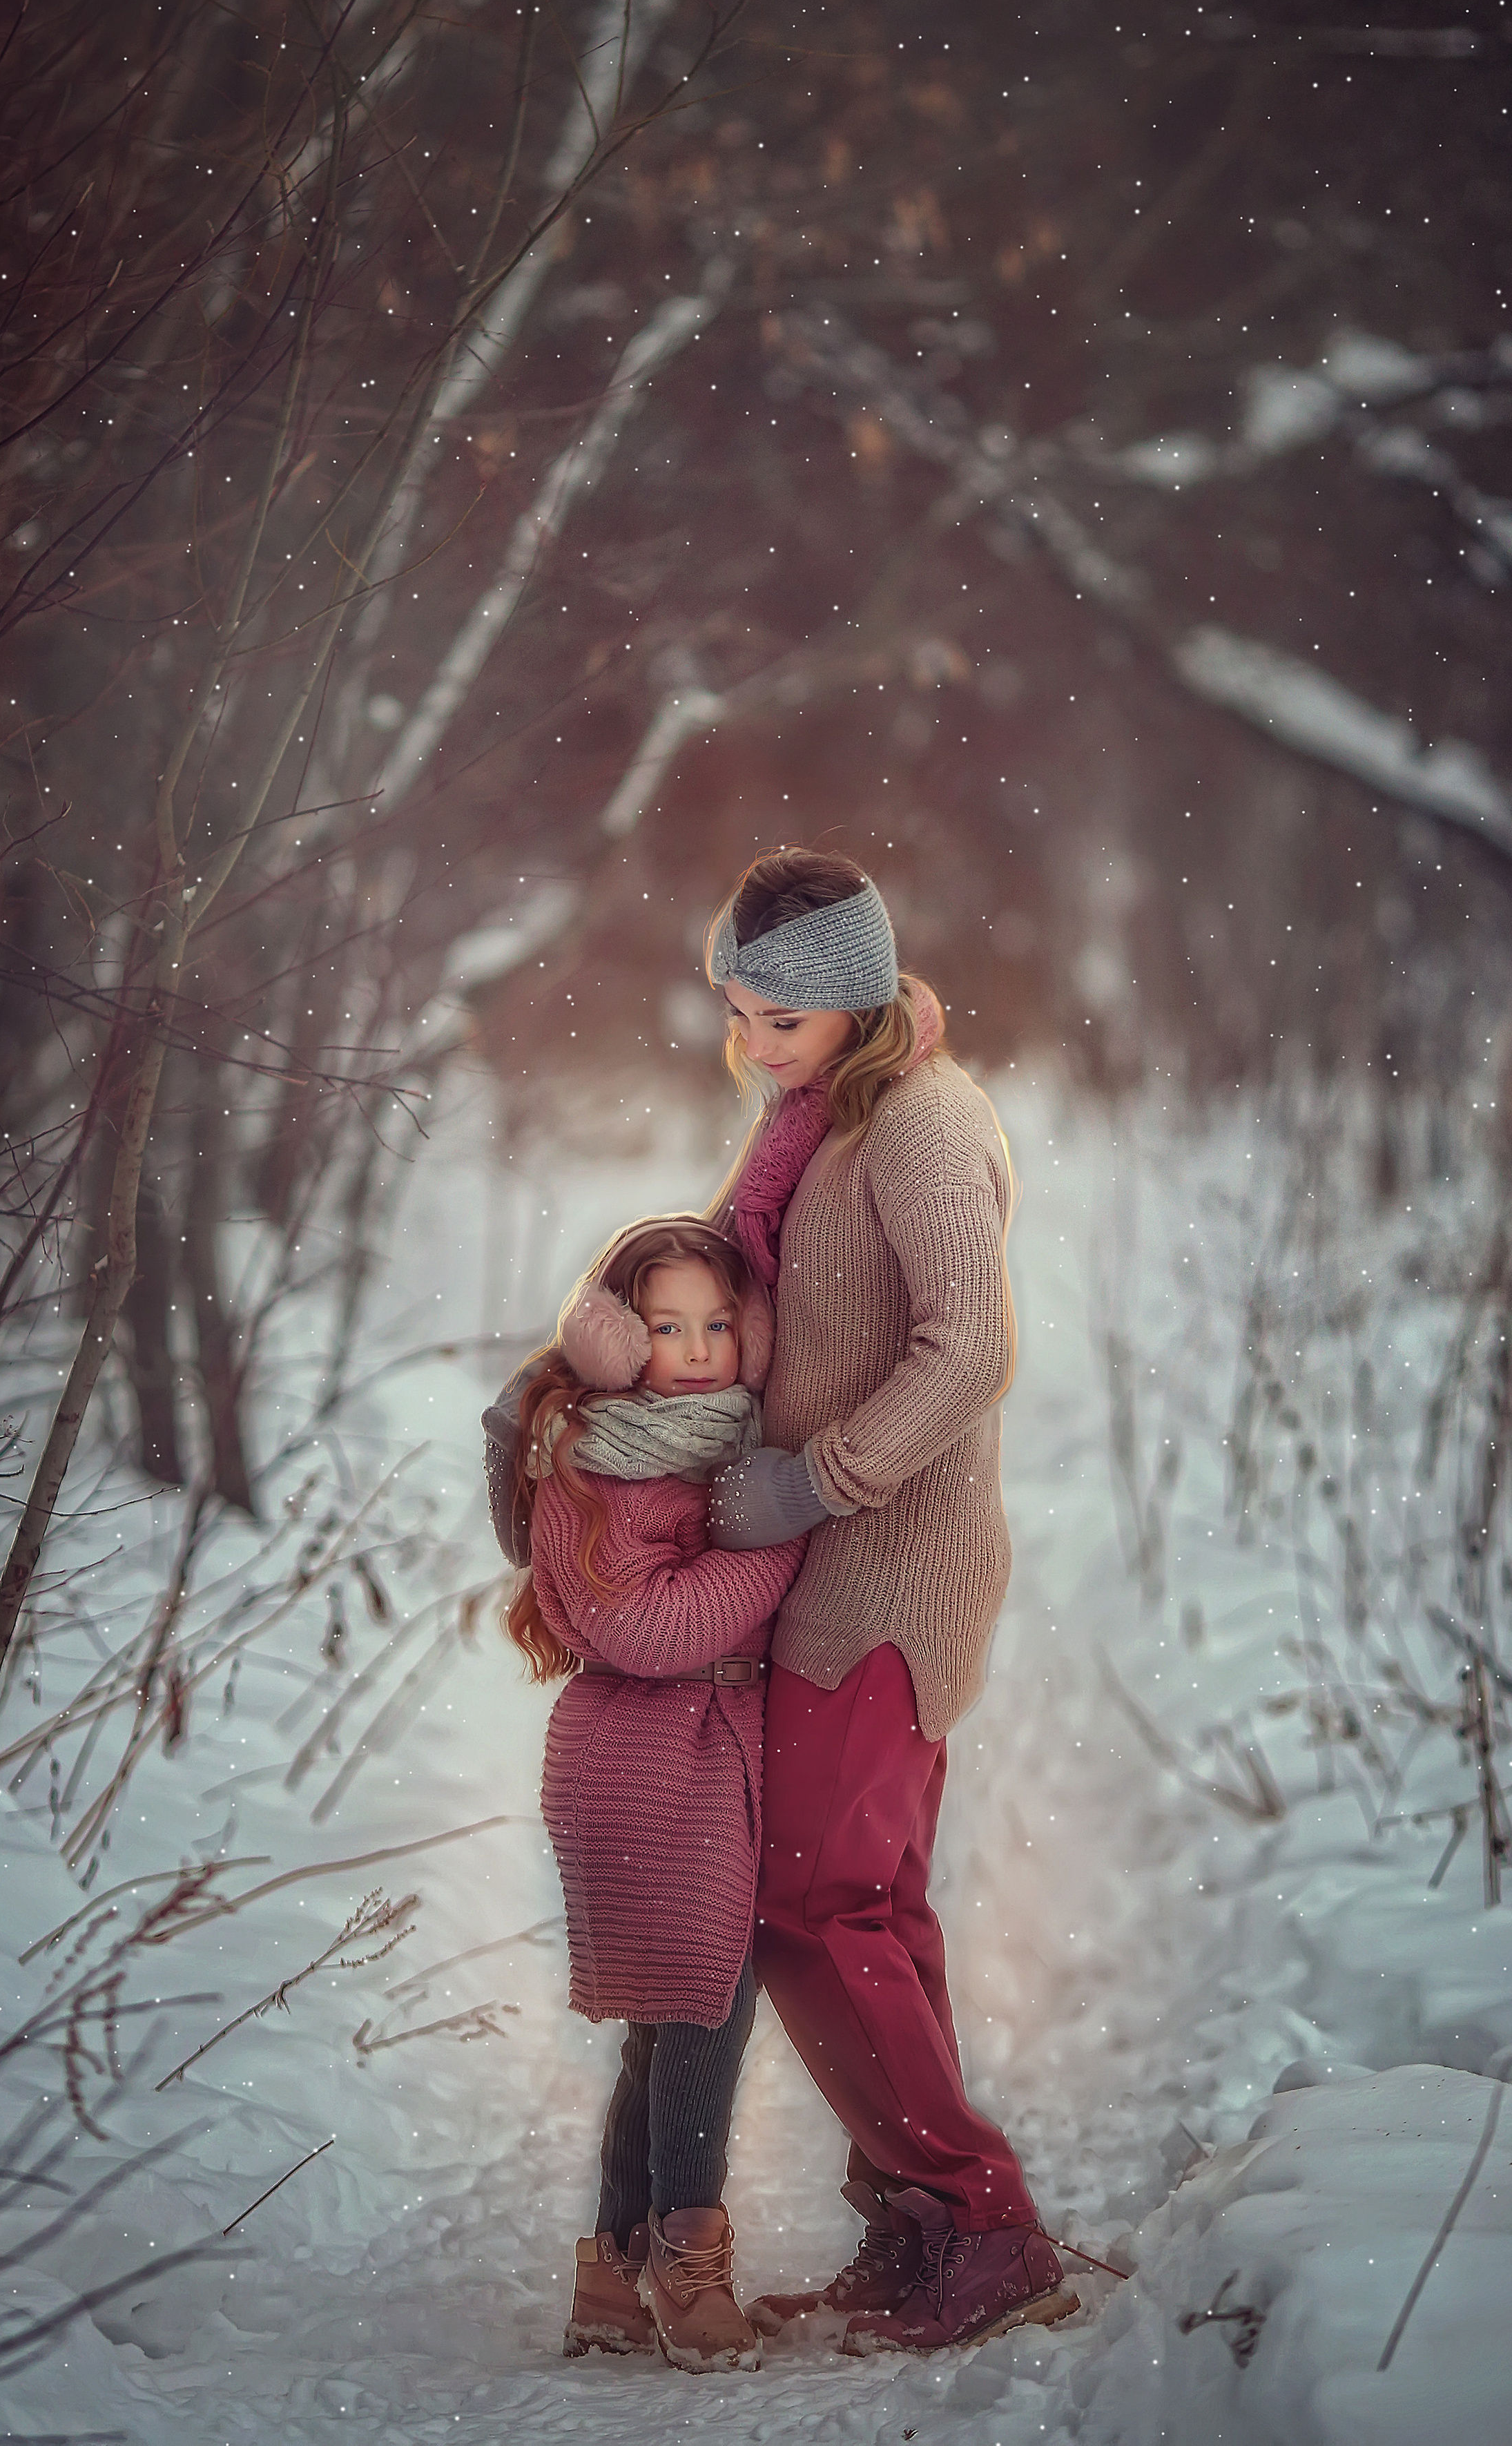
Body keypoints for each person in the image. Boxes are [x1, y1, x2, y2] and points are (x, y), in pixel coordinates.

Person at [704, 848, 1077, 2355]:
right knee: (865, 1903)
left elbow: (971, 1346)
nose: (747, 1045)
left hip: (887, 1576)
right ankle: (923, 2228)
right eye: (734, 1013)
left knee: (810, 1902)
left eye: (773, 1021)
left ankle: (981, 2220)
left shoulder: (919, 1126)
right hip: (834, 1574)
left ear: (850, 1008)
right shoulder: (822, 1126)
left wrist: (821, 1478)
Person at [483, 1217, 806, 2374]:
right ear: (619, 1337)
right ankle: (688, 2253)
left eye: (719, 1322)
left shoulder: (721, 1440)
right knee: (710, 1994)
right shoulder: (585, 1453)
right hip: (639, 1750)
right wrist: (779, 1539)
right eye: (667, 1326)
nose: (700, 1347)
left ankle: (614, 2277)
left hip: (705, 1742)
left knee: (677, 2009)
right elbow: (646, 1623)